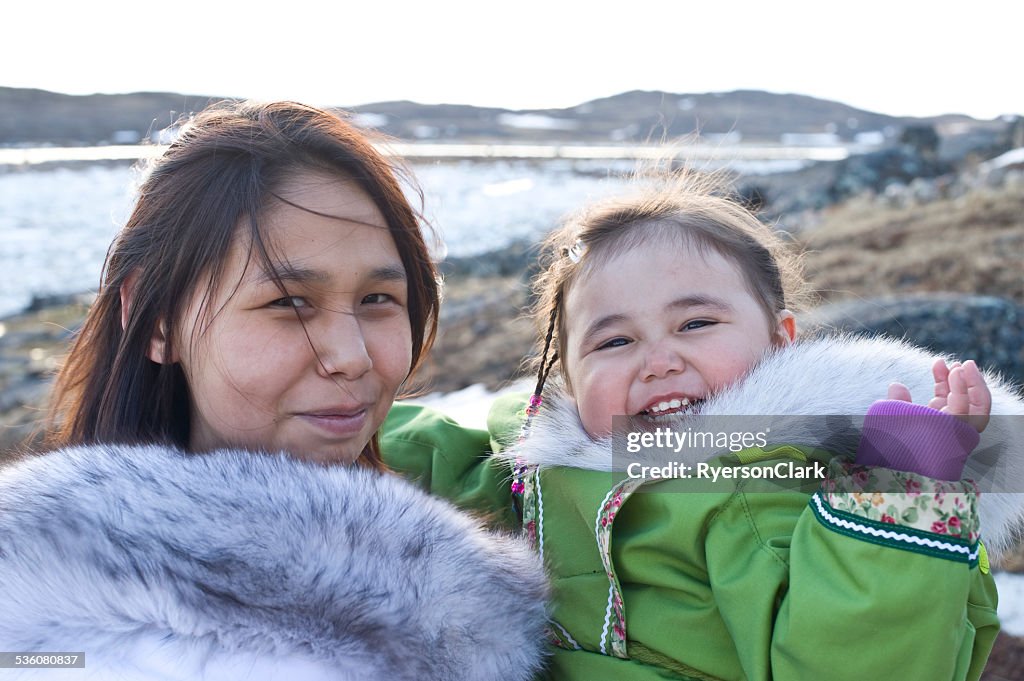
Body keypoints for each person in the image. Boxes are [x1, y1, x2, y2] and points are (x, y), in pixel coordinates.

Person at [0, 100, 547, 680]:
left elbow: (627, 453)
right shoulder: (49, 630)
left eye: (378, 300)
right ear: (158, 318)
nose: (352, 357)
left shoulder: (484, 477)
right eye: (288, 304)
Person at [496, 171, 1024, 681]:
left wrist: (903, 499)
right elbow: (431, 455)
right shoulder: (531, 462)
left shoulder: (782, 490)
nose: (658, 362)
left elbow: (862, 663)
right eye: (614, 341)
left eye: (695, 323)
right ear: (566, 375)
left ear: (778, 339)